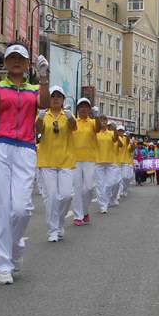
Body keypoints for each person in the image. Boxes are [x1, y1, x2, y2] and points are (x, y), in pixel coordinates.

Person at [0, 43, 50, 285]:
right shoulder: (0, 86)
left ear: (27, 64)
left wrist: (43, 77)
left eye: (20, 58)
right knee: (0, 206)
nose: (16, 62)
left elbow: (43, 104)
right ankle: (3, 265)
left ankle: (15, 246)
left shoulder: (33, 90)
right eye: (11, 58)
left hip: (25, 149)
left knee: (21, 209)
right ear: (5, 63)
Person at [36, 85, 76, 242]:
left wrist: (70, 116)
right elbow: (37, 130)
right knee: (52, 197)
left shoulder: (67, 115)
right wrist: (39, 118)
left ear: (63, 100)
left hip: (65, 161)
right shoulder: (43, 115)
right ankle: (53, 229)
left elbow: (74, 127)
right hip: (47, 161)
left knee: (66, 196)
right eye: (53, 96)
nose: (55, 99)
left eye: (59, 96)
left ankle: (59, 222)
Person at [71, 98, 101, 226]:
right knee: (76, 188)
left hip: (89, 159)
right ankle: (78, 215)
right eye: (81, 106)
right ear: (77, 109)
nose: (83, 108)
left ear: (89, 109)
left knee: (89, 188)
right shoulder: (73, 122)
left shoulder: (93, 122)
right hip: (75, 159)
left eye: (86, 106)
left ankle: (85, 211)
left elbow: (99, 129)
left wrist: (97, 116)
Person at [94, 117, 122, 215]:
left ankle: (107, 199)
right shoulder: (95, 133)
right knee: (100, 185)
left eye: (105, 120)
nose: (103, 122)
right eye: (101, 120)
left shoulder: (110, 133)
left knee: (111, 183)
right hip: (98, 162)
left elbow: (116, 140)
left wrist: (114, 129)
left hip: (110, 162)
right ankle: (103, 206)